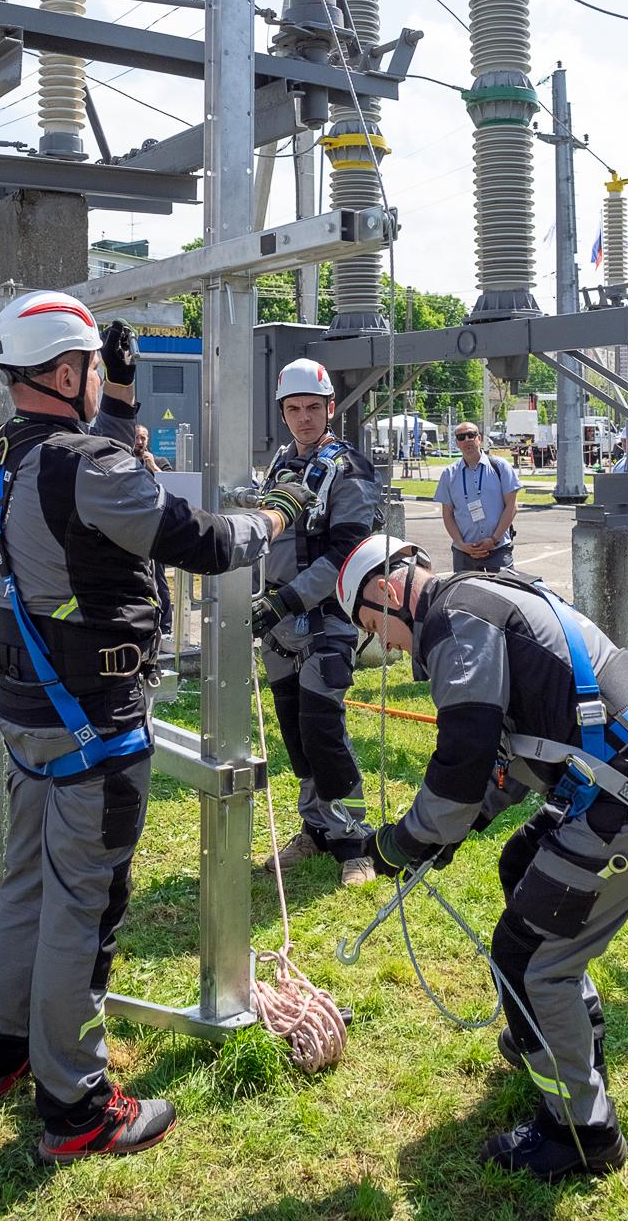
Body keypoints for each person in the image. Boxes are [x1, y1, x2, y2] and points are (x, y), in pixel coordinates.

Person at [0, 291, 311, 1163]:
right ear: (60, 371)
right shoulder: (89, 466)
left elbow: (88, 491)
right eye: (87, 369)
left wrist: (115, 400)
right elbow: (200, 540)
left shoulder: (6, 449)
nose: (96, 382)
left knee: (26, 888)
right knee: (82, 909)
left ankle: (2, 1052)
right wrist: (279, 512)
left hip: (27, 715)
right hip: (93, 720)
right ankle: (77, 1106)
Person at [335, 536, 628, 1181]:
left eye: (377, 628)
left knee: (528, 957)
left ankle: (581, 1135)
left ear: (390, 591)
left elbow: (463, 759)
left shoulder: (458, 623)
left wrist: (402, 842)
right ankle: (567, 1036)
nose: (389, 648)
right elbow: (513, 751)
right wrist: (464, 823)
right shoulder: (480, 599)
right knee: (523, 866)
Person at [252, 358, 382, 888]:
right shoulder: (280, 464)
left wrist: (289, 601)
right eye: (293, 409)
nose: (303, 418)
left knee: (322, 729)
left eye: (312, 408)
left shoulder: (347, 468)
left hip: (324, 618)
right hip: (280, 621)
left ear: (330, 409)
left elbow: (347, 549)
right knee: (294, 734)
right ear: (283, 413)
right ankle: (314, 827)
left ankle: (354, 842)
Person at [434, 421, 520, 572]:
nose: (467, 440)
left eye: (471, 435)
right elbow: (447, 514)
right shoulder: (449, 474)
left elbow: (512, 507)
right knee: (465, 596)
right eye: (461, 437)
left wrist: (493, 540)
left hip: (498, 549)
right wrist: (462, 545)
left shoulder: (501, 467)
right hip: (465, 554)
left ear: (479, 439)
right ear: (457, 443)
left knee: (502, 594)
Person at [133, 424, 174, 639]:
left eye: (143, 438)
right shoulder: (125, 462)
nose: (140, 442)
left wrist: (153, 468)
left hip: (154, 529)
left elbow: (174, 489)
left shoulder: (159, 462)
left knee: (159, 578)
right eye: (137, 437)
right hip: (132, 528)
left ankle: (166, 626)